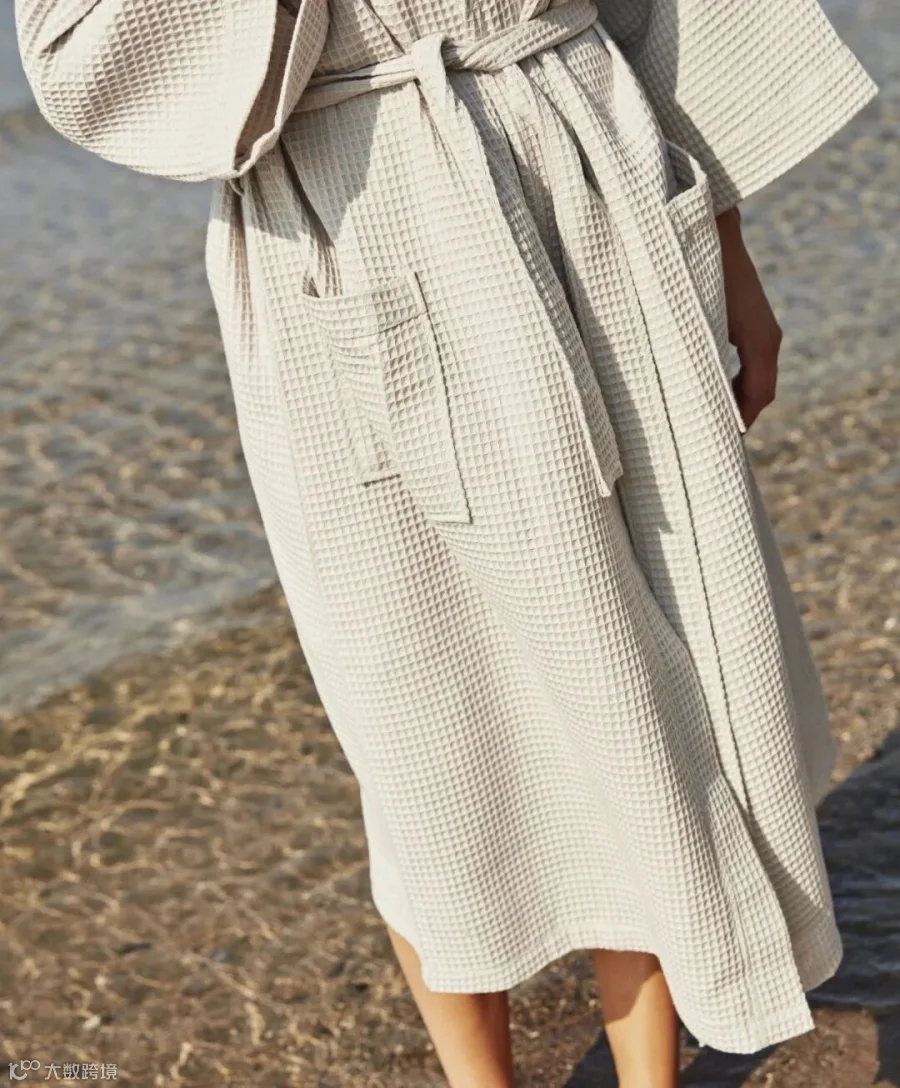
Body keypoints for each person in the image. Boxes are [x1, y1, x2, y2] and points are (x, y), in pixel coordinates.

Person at [16, 1, 877, 1084]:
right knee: (418, 725)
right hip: (345, 212)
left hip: (587, 183)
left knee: (641, 676)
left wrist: (729, 247)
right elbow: (84, 58)